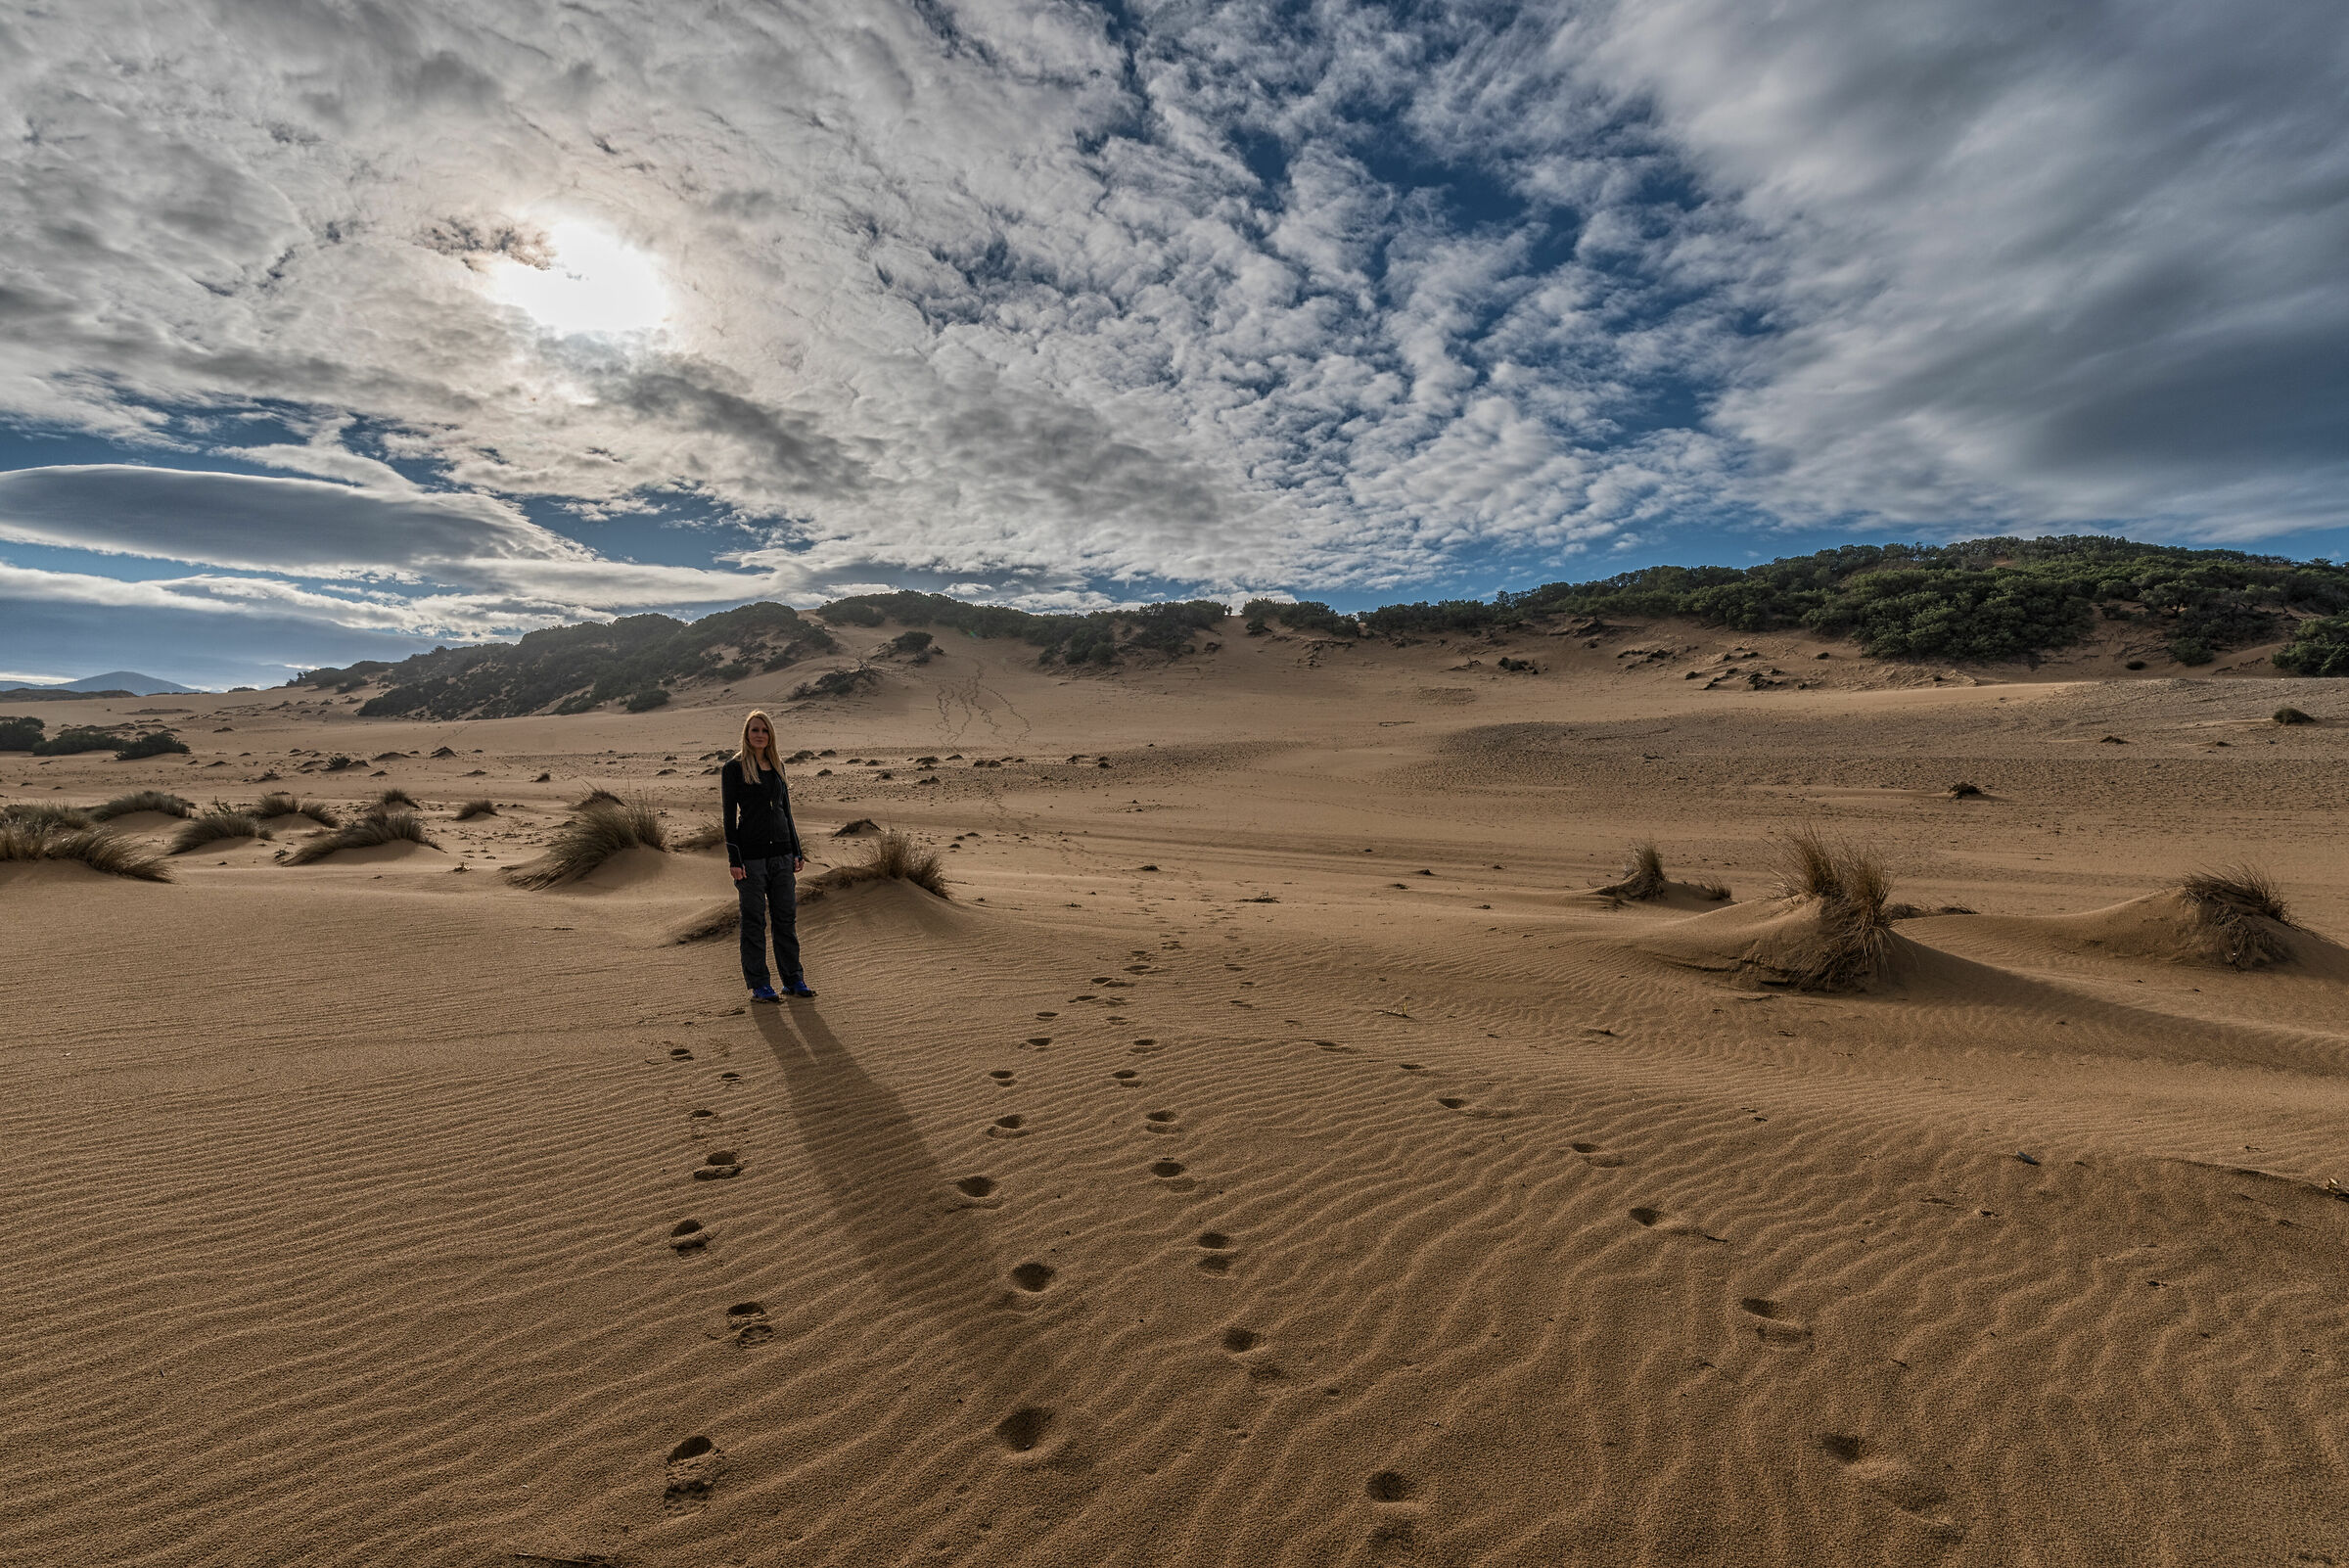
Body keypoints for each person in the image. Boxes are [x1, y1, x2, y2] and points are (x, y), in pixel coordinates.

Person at [722, 710, 813, 1000]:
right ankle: (759, 984)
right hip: (751, 859)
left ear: (770, 735)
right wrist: (734, 860)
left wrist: (797, 851)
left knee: (785, 919)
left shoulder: (777, 766)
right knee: (753, 922)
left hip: (783, 856)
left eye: (764, 730)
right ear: (747, 735)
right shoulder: (734, 768)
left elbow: (787, 811)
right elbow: (728, 817)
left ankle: (793, 979)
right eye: (754, 730)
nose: (759, 734)